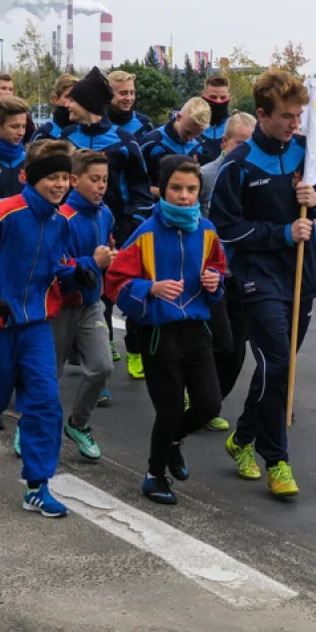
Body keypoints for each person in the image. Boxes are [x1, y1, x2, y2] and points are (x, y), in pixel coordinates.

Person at [0, 139, 99, 517]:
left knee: (45, 403)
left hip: (36, 327)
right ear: (31, 177)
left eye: (65, 177)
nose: (60, 185)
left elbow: (54, 265)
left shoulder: (61, 222)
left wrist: (75, 272)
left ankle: (36, 486)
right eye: (52, 178)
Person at [211, 69, 316, 498]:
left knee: (279, 369)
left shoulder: (309, 151)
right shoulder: (239, 163)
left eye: (298, 115)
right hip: (257, 280)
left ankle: (242, 437)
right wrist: (282, 233)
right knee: (277, 366)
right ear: (262, 114)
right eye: (286, 116)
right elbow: (226, 229)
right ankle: (277, 460)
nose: (294, 123)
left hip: (303, 276)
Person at [105, 155, 226, 505]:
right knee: (169, 410)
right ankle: (155, 474)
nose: (184, 196)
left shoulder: (207, 230)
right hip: (158, 333)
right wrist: (150, 289)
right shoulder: (145, 233)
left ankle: (173, 442)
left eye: (191, 189)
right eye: (176, 188)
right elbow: (116, 282)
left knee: (209, 404)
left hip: (196, 329)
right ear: (163, 189)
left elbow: (219, 271)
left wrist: (214, 280)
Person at [61, 67, 153, 377]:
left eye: (72, 100)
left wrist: (133, 224)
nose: (67, 105)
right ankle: (97, 355)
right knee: (88, 294)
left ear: (86, 103)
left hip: (119, 229)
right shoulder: (63, 139)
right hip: (75, 228)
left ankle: (135, 351)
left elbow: (142, 187)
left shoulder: (125, 141)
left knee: (127, 291)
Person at [50, 148, 116, 460]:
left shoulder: (106, 213)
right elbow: (56, 268)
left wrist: (111, 263)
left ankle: (78, 423)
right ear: (74, 181)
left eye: (105, 179)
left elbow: (108, 254)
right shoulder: (61, 218)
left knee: (102, 366)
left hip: (91, 305)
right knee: (48, 373)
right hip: (60, 307)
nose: (101, 186)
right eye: (94, 179)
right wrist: (93, 262)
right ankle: (30, 423)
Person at [195, 111, 256, 432]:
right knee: (211, 340)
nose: (246, 150)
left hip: (242, 274)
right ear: (224, 143)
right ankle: (199, 397)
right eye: (240, 143)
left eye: (251, 143)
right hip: (207, 274)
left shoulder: (255, 175)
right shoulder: (205, 175)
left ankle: (212, 399)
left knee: (236, 345)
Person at [141, 97, 208, 199]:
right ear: (178, 117)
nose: (190, 139)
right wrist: (165, 193)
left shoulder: (199, 145)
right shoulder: (153, 142)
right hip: (155, 208)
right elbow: (135, 181)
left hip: (188, 208)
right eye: (188, 132)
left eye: (196, 134)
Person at [107, 70, 153, 141]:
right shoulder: (97, 123)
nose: (129, 98)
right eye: (123, 93)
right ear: (109, 93)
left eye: (132, 93)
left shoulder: (144, 123)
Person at [32, 74, 77, 142]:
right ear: (55, 99)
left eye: (76, 97)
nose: (72, 102)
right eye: (68, 97)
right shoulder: (44, 134)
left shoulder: (85, 132)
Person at [199, 74, 231, 164]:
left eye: (223, 97)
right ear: (203, 96)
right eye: (213, 97)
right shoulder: (193, 127)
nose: (218, 101)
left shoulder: (234, 127)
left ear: (228, 97)